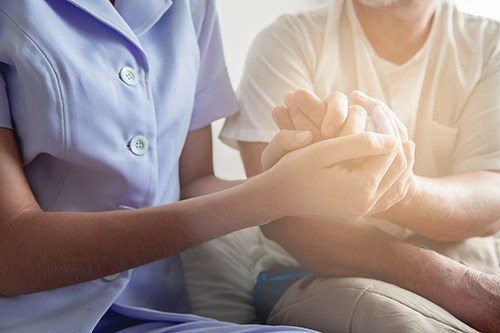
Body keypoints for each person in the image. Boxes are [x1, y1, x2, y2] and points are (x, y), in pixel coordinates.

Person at [0, 0, 412, 332]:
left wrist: (289, 175)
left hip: (155, 313)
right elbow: (11, 253)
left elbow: (194, 181)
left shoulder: (190, 7)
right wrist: (271, 195)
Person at [219, 0, 500, 332]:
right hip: (320, 273)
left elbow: (490, 200)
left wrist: (399, 192)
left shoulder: (489, 44)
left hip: (471, 256)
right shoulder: (288, 40)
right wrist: (457, 285)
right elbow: (280, 215)